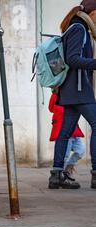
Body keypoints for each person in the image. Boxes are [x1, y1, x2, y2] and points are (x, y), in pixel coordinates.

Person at [49, 0, 96, 189]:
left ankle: (56, 175)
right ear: (93, 13)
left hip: (70, 89)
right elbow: (73, 59)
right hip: (77, 89)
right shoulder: (79, 27)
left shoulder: (75, 26)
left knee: (65, 132)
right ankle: (95, 174)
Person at [49, 90, 85, 179]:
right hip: (64, 131)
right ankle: (59, 175)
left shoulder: (73, 95)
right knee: (64, 155)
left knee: (80, 151)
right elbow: (51, 108)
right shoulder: (55, 95)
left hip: (74, 130)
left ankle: (68, 169)